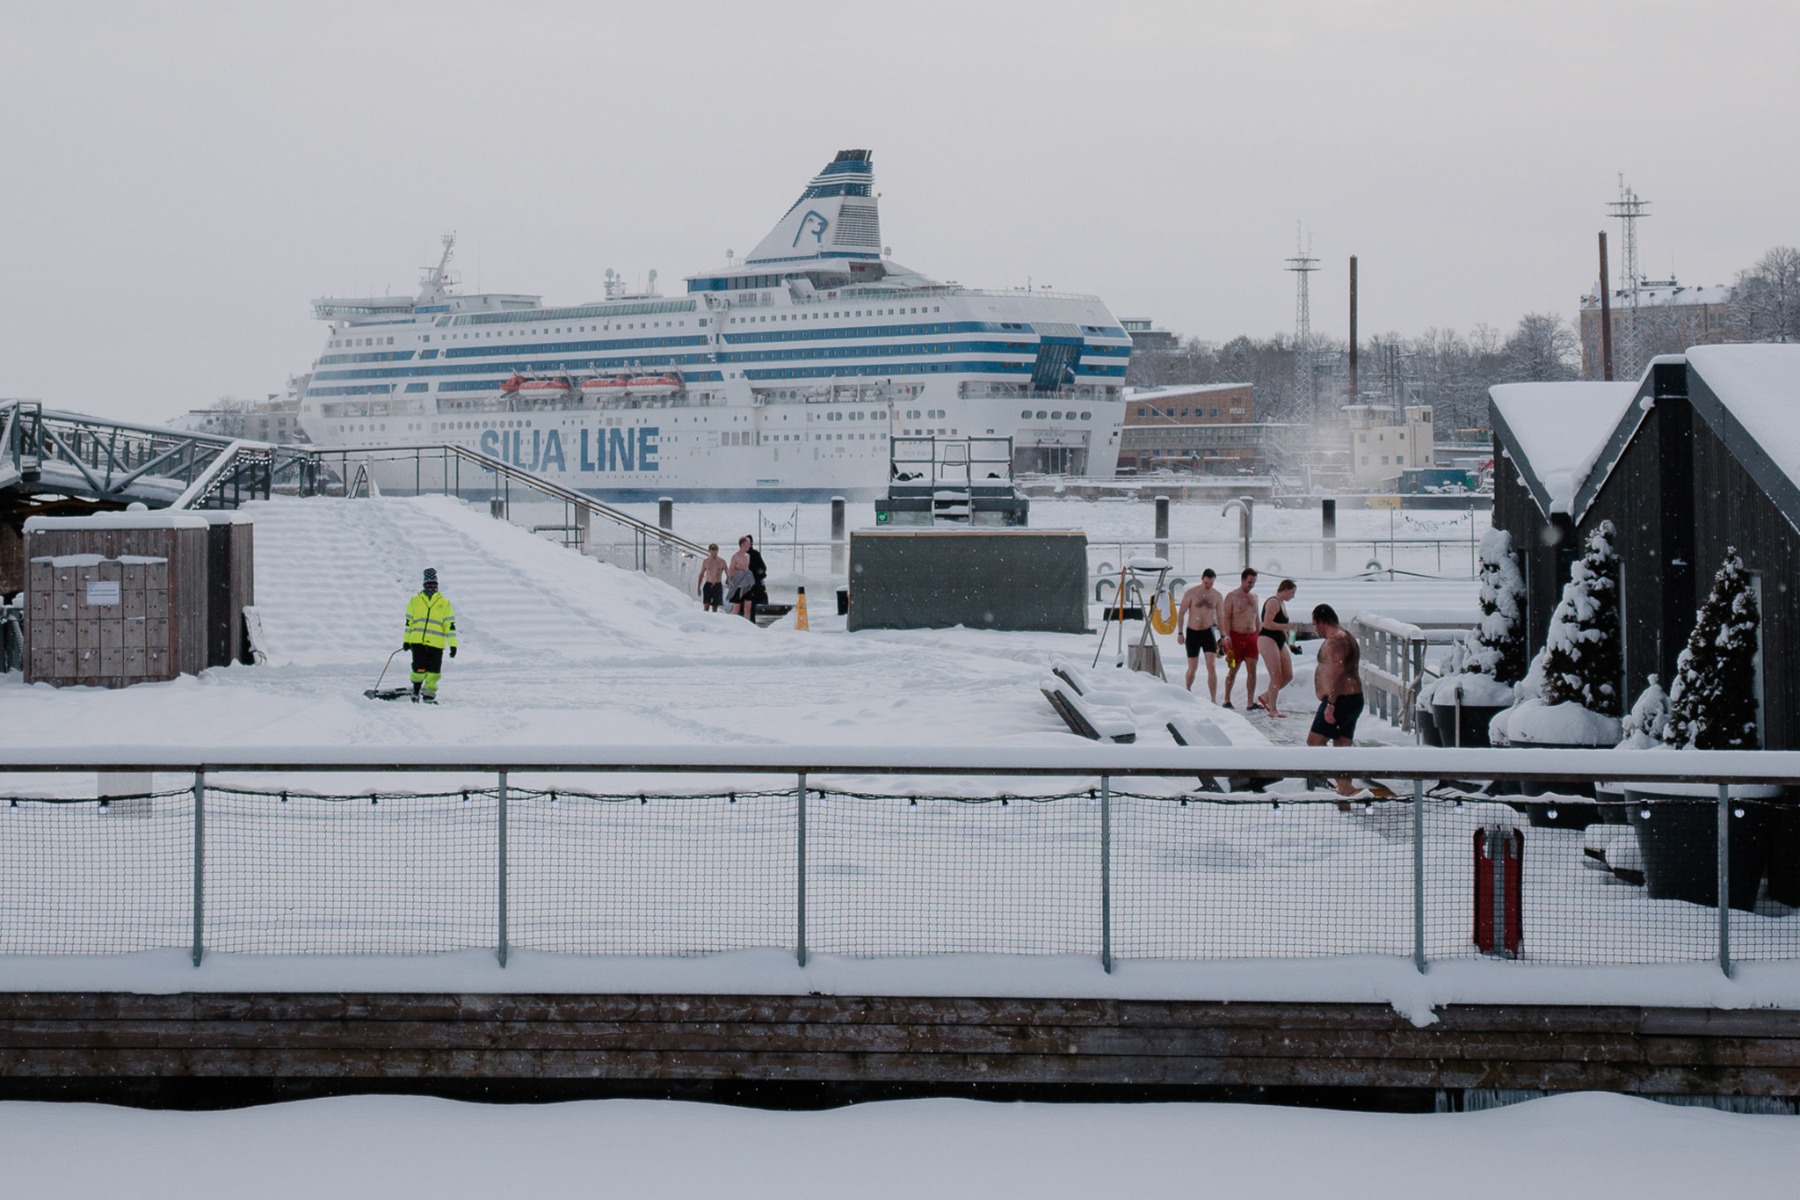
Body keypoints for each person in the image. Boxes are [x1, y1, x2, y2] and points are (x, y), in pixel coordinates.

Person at [1306, 603, 1365, 797]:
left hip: (1340, 699)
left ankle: (1321, 786)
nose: (1314, 629)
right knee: (1341, 749)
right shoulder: (1346, 636)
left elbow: (1338, 672)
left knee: (1314, 742)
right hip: (1353, 699)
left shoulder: (1334, 641)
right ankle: (1344, 792)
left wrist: (1330, 704)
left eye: (1315, 624)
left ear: (1324, 622)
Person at [402, 567, 458, 704]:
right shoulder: (415, 601)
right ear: (424, 584)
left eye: (434, 584)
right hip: (418, 642)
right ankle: (416, 690)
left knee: (434, 671)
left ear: (437, 585)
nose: (431, 586)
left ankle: (428, 695)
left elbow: (449, 625)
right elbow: (409, 623)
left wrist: (453, 644)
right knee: (419, 668)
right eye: (429, 584)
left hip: (437, 643)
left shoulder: (444, 603)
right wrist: (406, 641)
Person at [1174, 568, 1222, 700]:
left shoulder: (1217, 595)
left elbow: (1221, 616)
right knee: (1192, 667)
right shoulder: (1192, 593)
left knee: (1211, 667)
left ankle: (1213, 699)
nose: (1208, 586)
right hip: (1193, 632)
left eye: (1211, 584)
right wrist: (1180, 632)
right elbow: (1182, 612)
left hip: (1208, 632)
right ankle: (1188, 689)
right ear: (1202, 579)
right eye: (1206, 583)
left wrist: (1223, 636)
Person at [1256, 579, 1299, 718]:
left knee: (1288, 675)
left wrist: (1290, 643)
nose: (1293, 596)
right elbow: (1267, 623)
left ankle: (1265, 697)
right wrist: (1286, 627)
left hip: (1279, 640)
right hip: (1267, 639)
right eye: (1292, 592)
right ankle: (1272, 709)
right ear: (1286, 590)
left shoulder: (1283, 604)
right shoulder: (1273, 601)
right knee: (1276, 675)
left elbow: (1281, 627)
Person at [1218, 568, 1260, 710]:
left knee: (1252, 669)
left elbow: (1257, 618)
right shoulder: (1232, 596)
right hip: (1236, 637)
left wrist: (1260, 635)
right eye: (1249, 582)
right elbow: (1227, 617)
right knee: (1233, 669)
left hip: (1252, 637)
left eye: (1253, 582)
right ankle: (1227, 699)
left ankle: (1250, 702)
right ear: (1242, 580)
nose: (1251, 585)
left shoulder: (1255, 596)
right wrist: (1226, 636)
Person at [726, 537, 756, 620]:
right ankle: (731, 623)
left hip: (746, 582)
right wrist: (730, 581)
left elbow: (747, 568)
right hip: (738, 583)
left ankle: (747, 624)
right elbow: (731, 569)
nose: (750, 545)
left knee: (747, 607)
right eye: (748, 544)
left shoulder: (748, 556)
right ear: (743, 545)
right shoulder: (735, 556)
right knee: (736, 608)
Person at [698, 543, 727, 612]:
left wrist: (730, 582)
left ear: (717, 551)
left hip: (717, 584)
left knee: (715, 607)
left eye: (715, 550)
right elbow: (701, 574)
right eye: (712, 550)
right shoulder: (706, 561)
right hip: (708, 584)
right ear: (709, 551)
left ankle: (714, 620)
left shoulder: (722, 561)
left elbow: (728, 573)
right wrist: (698, 587)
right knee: (706, 605)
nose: (714, 552)